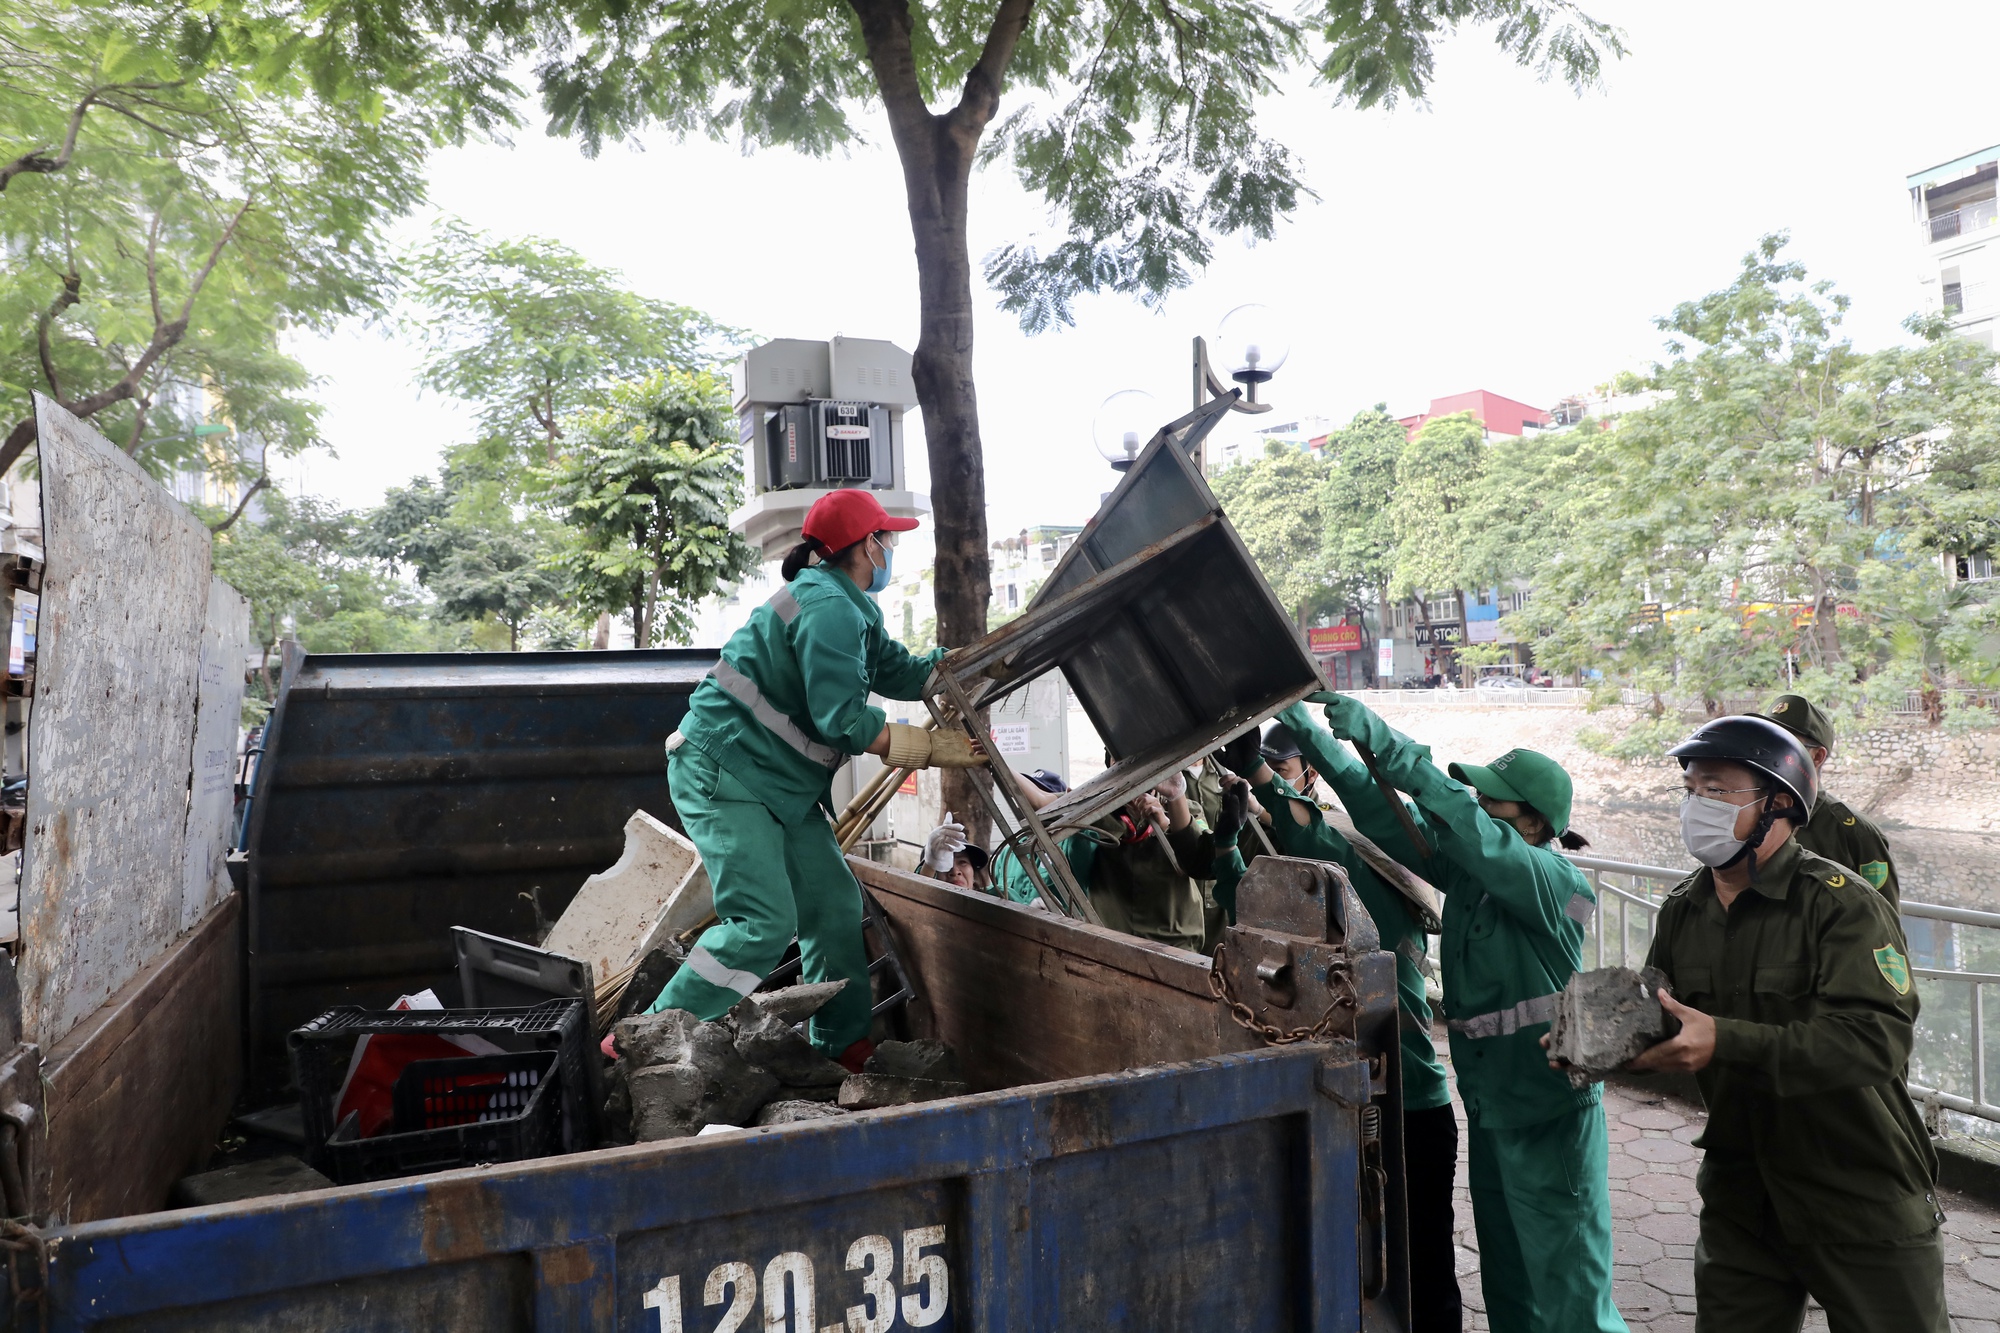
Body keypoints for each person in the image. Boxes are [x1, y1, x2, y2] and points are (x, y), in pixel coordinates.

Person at [1312, 691, 1626, 1333]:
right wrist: (1311, 730)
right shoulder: (1479, 882)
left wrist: (1387, 738)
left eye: (1493, 801)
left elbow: (1465, 824)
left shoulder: (1555, 883)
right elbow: (1384, 812)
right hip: (1491, 1105)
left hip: (1549, 1110)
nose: (1478, 808)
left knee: (1572, 1297)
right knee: (1510, 1285)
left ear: (1533, 823)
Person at [647, 489, 985, 1069]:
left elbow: (899, 669)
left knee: (831, 906)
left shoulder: (849, 605)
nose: (893, 548)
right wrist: (929, 748)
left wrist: (966, 661)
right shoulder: (829, 606)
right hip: (726, 771)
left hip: (777, 784)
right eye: (888, 538)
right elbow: (843, 721)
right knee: (763, 923)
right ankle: (650, 1035)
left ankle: (842, 1042)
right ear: (866, 546)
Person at [1627, 715, 1944, 1333]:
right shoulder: (1683, 908)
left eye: (1719, 791)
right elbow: (1664, 1018)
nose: (1698, 806)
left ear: (1778, 803)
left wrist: (1725, 1038)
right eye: (1691, 790)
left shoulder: (1842, 905)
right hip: (1741, 1195)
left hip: (1858, 1189)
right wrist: (1598, 1047)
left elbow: (1875, 1039)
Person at [1248, 704, 1461, 1333]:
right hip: (1368, 1094)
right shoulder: (1358, 892)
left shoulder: (1379, 898)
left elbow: (1314, 841)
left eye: (1287, 766)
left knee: (1420, 1256)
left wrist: (1263, 781)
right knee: (1376, 1246)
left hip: (1411, 1104)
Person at [1757, 693, 1901, 906]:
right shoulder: (1749, 816)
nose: (1771, 751)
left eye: (1785, 742)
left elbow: (1884, 921)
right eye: (1768, 740)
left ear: (1817, 757)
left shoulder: (1855, 833)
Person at [921, 813, 989, 890]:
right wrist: (929, 866)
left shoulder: (994, 896)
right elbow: (920, 890)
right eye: (945, 866)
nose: (955, 872)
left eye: (962, 862)